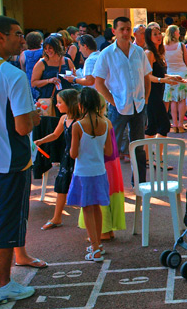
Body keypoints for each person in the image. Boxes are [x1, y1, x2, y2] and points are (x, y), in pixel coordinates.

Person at [0, 15, 40, 305]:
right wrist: (36, 115)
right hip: (9, 160)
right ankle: (2, 283)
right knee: (7, 221)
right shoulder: (12, 75)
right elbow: (23, 127)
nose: (22, 39)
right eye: (16, 34)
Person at [94, 16, 153, 185]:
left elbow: (146, 77)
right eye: (122, 29)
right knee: (111, 148)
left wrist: (146, 100)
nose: (126, 32)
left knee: (139, 148)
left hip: (139, 106)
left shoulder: (139, 52)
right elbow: (98, 82)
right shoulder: (106, 54)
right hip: (118, 107)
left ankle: (140, 184)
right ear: (114, 31)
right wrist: (113, 102)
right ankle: (110, 185)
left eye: (128, 29)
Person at [66, 87, 112, 262]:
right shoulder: (106, 123)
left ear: (81, 105)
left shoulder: (77, 125)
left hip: (83, 172)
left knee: (87, 209)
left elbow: (73, 154)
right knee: (97, 207)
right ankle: (98, 244)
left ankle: (95, 248)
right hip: (99, 171)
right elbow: (108, 151)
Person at [78, 96, 126, 242]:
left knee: (98, 196)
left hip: (101, 164)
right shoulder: (107, 122)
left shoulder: (88, 124)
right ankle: (108, 229)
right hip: (112, 163)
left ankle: (103, 231)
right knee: (108, 194)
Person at [34, 89, 80, 230]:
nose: (57, 105)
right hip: (67, 157)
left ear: (70, 103)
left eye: (60, 102)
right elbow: (55, 134)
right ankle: (56, 217)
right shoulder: (64, 119)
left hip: (80, 157)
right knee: (61, 186)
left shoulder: (81, 120)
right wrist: (41, 141)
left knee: (83, 186)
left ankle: (86, 218)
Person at [144, 24, 183, 139]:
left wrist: (172, 77)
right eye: (155, 34)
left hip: (158, 92)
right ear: (149, 37)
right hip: (151, 93)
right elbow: (147, 76)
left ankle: (150, 155)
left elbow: (159, 73)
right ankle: (157, 155)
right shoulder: (149, 53)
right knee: (164, 125)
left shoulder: (158, 53)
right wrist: (163, 80)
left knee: (153, 126)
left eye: (159, 33)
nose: (158, 36)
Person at [31, 34, 76, 106]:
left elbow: (75, 78)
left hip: (67, 98)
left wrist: (71, 78)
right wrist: (49, 81)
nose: (47, 51)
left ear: (56, 48)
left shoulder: (67, 61)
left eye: (50, 48)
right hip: (49, 98)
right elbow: (34, 83)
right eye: (45, 49)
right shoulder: (41, 63)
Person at [162, 25, 187, 133]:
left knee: (173, 100)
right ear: (175, 33)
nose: (179, 34)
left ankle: (174, 124)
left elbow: (164, 61)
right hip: (182, 72)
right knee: (182, 99)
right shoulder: (181, 45)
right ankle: (180, 124)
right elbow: (186, 60)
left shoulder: (164, 46)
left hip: (170, 73)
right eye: (178, 32)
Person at [19, 31, 43, 100]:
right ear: (40, 41)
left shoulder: (24, 54)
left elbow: (23, 70)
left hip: (29, 84)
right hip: (42, 82)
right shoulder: (44, 52)